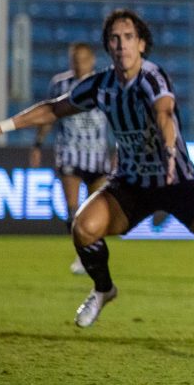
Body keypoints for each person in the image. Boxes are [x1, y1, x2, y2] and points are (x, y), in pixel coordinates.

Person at [0, 9, 194, 348]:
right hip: (132, 185)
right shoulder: (102, 85)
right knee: (83, 227)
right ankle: (104, 289)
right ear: (108, 46)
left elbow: (164, 112)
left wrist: (168, 151)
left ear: (141, 44)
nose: (121, 44)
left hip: (177, 183)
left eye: (128, 37)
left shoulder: (152, 78)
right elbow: (55, 108)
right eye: (115, 38)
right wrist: (1, 127)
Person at [30, 42, 114, 275]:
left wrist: (119, 151)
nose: (79, 64)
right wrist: (38, 144)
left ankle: (93, 253)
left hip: (98, 155)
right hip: (69, 152)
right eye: (75, 59)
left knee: (97, 210)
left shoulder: (104, 84)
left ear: (92, 60)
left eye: (83, 59)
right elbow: (49, 115)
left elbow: (116, 118)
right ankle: (82, 256)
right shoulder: (60, 84)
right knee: (73, 209)